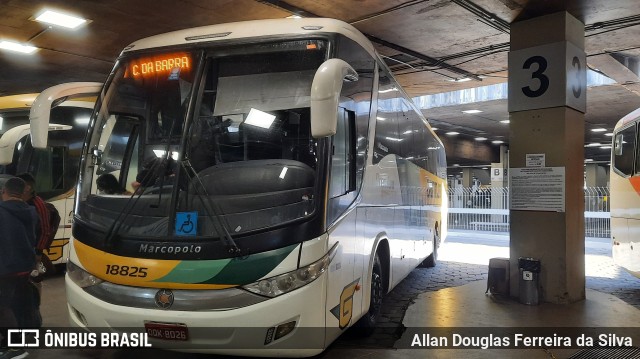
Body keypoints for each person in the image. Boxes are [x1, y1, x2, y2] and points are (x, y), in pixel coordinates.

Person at [0, 177, 37, 359]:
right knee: (16, 305)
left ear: (3, 192)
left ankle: (16, 349)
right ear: (23, 193)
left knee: (3, 307)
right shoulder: (30, 211)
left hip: (6, 268)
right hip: (25, 266)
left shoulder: (2, 211)